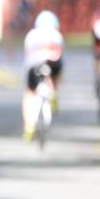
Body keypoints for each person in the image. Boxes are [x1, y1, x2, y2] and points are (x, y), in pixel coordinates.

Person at [22, 10, 64, 141]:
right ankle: (54, 93)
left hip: (34, 65)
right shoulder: (57, 35)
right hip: (53, 64)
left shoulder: (31, 35)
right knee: (57, 71)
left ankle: (29, 126)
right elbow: (60, 54)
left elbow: (27, 55)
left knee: (30, 94)